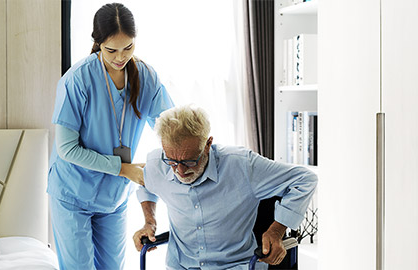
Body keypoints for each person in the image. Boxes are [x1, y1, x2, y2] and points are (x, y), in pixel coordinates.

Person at [47, 3, 174, 270]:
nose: (120, 57)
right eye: (111, 50)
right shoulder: (77, 80)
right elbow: (67, 149)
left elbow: (170, 128)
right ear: (97, 43)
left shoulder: (146, 76)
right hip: (72, 193)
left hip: (113, 197)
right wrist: (123, 168)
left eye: (128, 47)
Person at [133, 105, 317, 270]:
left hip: (236, 265)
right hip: (181, 266)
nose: (180, 170)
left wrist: (276, 231)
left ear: (207, 144)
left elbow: (304, 179)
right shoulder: (157, 163)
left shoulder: (242, 165)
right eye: (172, 161)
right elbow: (146, 186)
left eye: (190, 161)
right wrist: (150, 222)